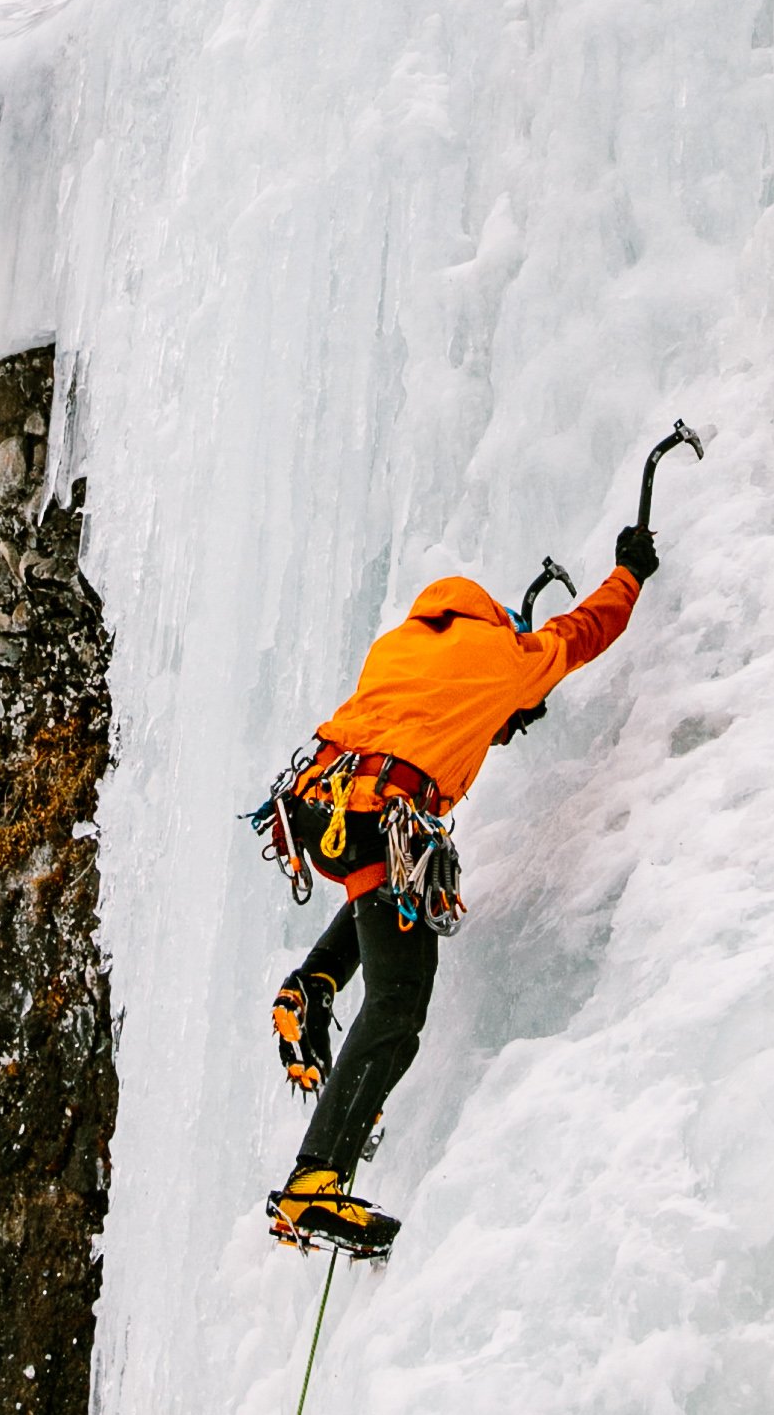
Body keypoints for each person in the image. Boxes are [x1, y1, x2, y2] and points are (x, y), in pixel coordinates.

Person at [257, 508, 662, 1255]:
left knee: (383, 891)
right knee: (397, 1001)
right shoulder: (503, 655)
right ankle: (316, 1182)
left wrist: (499, 716)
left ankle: (312, 984)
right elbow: (583, 634)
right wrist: (629, 572)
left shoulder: (400, 645)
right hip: (386, 817)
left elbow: (432, 715)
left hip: (321, 812)